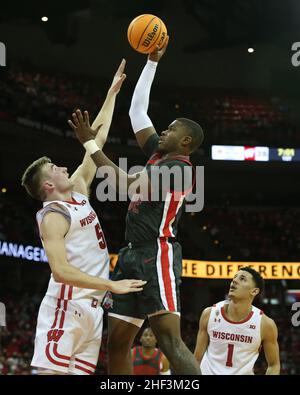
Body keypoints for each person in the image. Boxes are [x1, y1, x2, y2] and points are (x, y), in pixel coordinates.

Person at [68, 38, 204, 375]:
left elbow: (127, 185)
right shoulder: (159, 156)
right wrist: (152, 63)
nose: (164, 130)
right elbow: (136, 111)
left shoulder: (179, 169)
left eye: (171, 129)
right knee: (116, 342)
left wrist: (88, 142)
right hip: (130, 254)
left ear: (185, 141)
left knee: (169, 341)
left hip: (156, 254)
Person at [20, 60, 146, 375]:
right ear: (48, 185)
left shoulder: (77, 189)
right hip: (66, 306)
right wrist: (111, 285)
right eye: (56, 169)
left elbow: (96, 141)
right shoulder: (53, 216)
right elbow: (61, 271)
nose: (64, 168)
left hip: (91, 309)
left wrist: (112, 93)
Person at [194, 267, 280, 375]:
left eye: (242, 279)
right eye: (234, 278)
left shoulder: (265, 324)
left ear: (254, 291)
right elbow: (196, 359)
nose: (234, 281)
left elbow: (274, 365)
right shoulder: (209, 314)